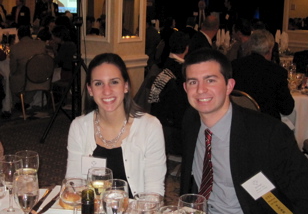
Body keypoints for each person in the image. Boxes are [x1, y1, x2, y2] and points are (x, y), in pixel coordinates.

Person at [180, 47, 308, 214]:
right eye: (193, 82)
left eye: (210, 80)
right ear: (186, 88)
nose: (201, 90)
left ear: (229, 85)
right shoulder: (191, 120)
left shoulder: (267, 134)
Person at [65, 53, 167, 197]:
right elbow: (73, 184)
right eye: (98, 83)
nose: (107, 91)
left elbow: (153, 191)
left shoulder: (150, 127)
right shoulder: (79, 127)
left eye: (114, 82)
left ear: (125, 86)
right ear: (90, 90)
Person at [232, 29, 294, 120]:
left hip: (238, 121)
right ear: (270, 49)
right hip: (267, 126)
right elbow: (287, 109)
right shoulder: (277, 72)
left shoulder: (234, 66)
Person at [149, 31, 190, 156]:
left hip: (158, 126)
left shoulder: (163, 69)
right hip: (174, 133)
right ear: (187, 48)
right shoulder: (182, 74)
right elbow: (182, 111)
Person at [9, 25, 47, 110]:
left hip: (24, 81)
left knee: (10, 77)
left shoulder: (15, 48)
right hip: (41, 78)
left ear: (18, 36)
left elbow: (13, 69)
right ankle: (26, 102)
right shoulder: (41, 45)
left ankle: (17, 103)